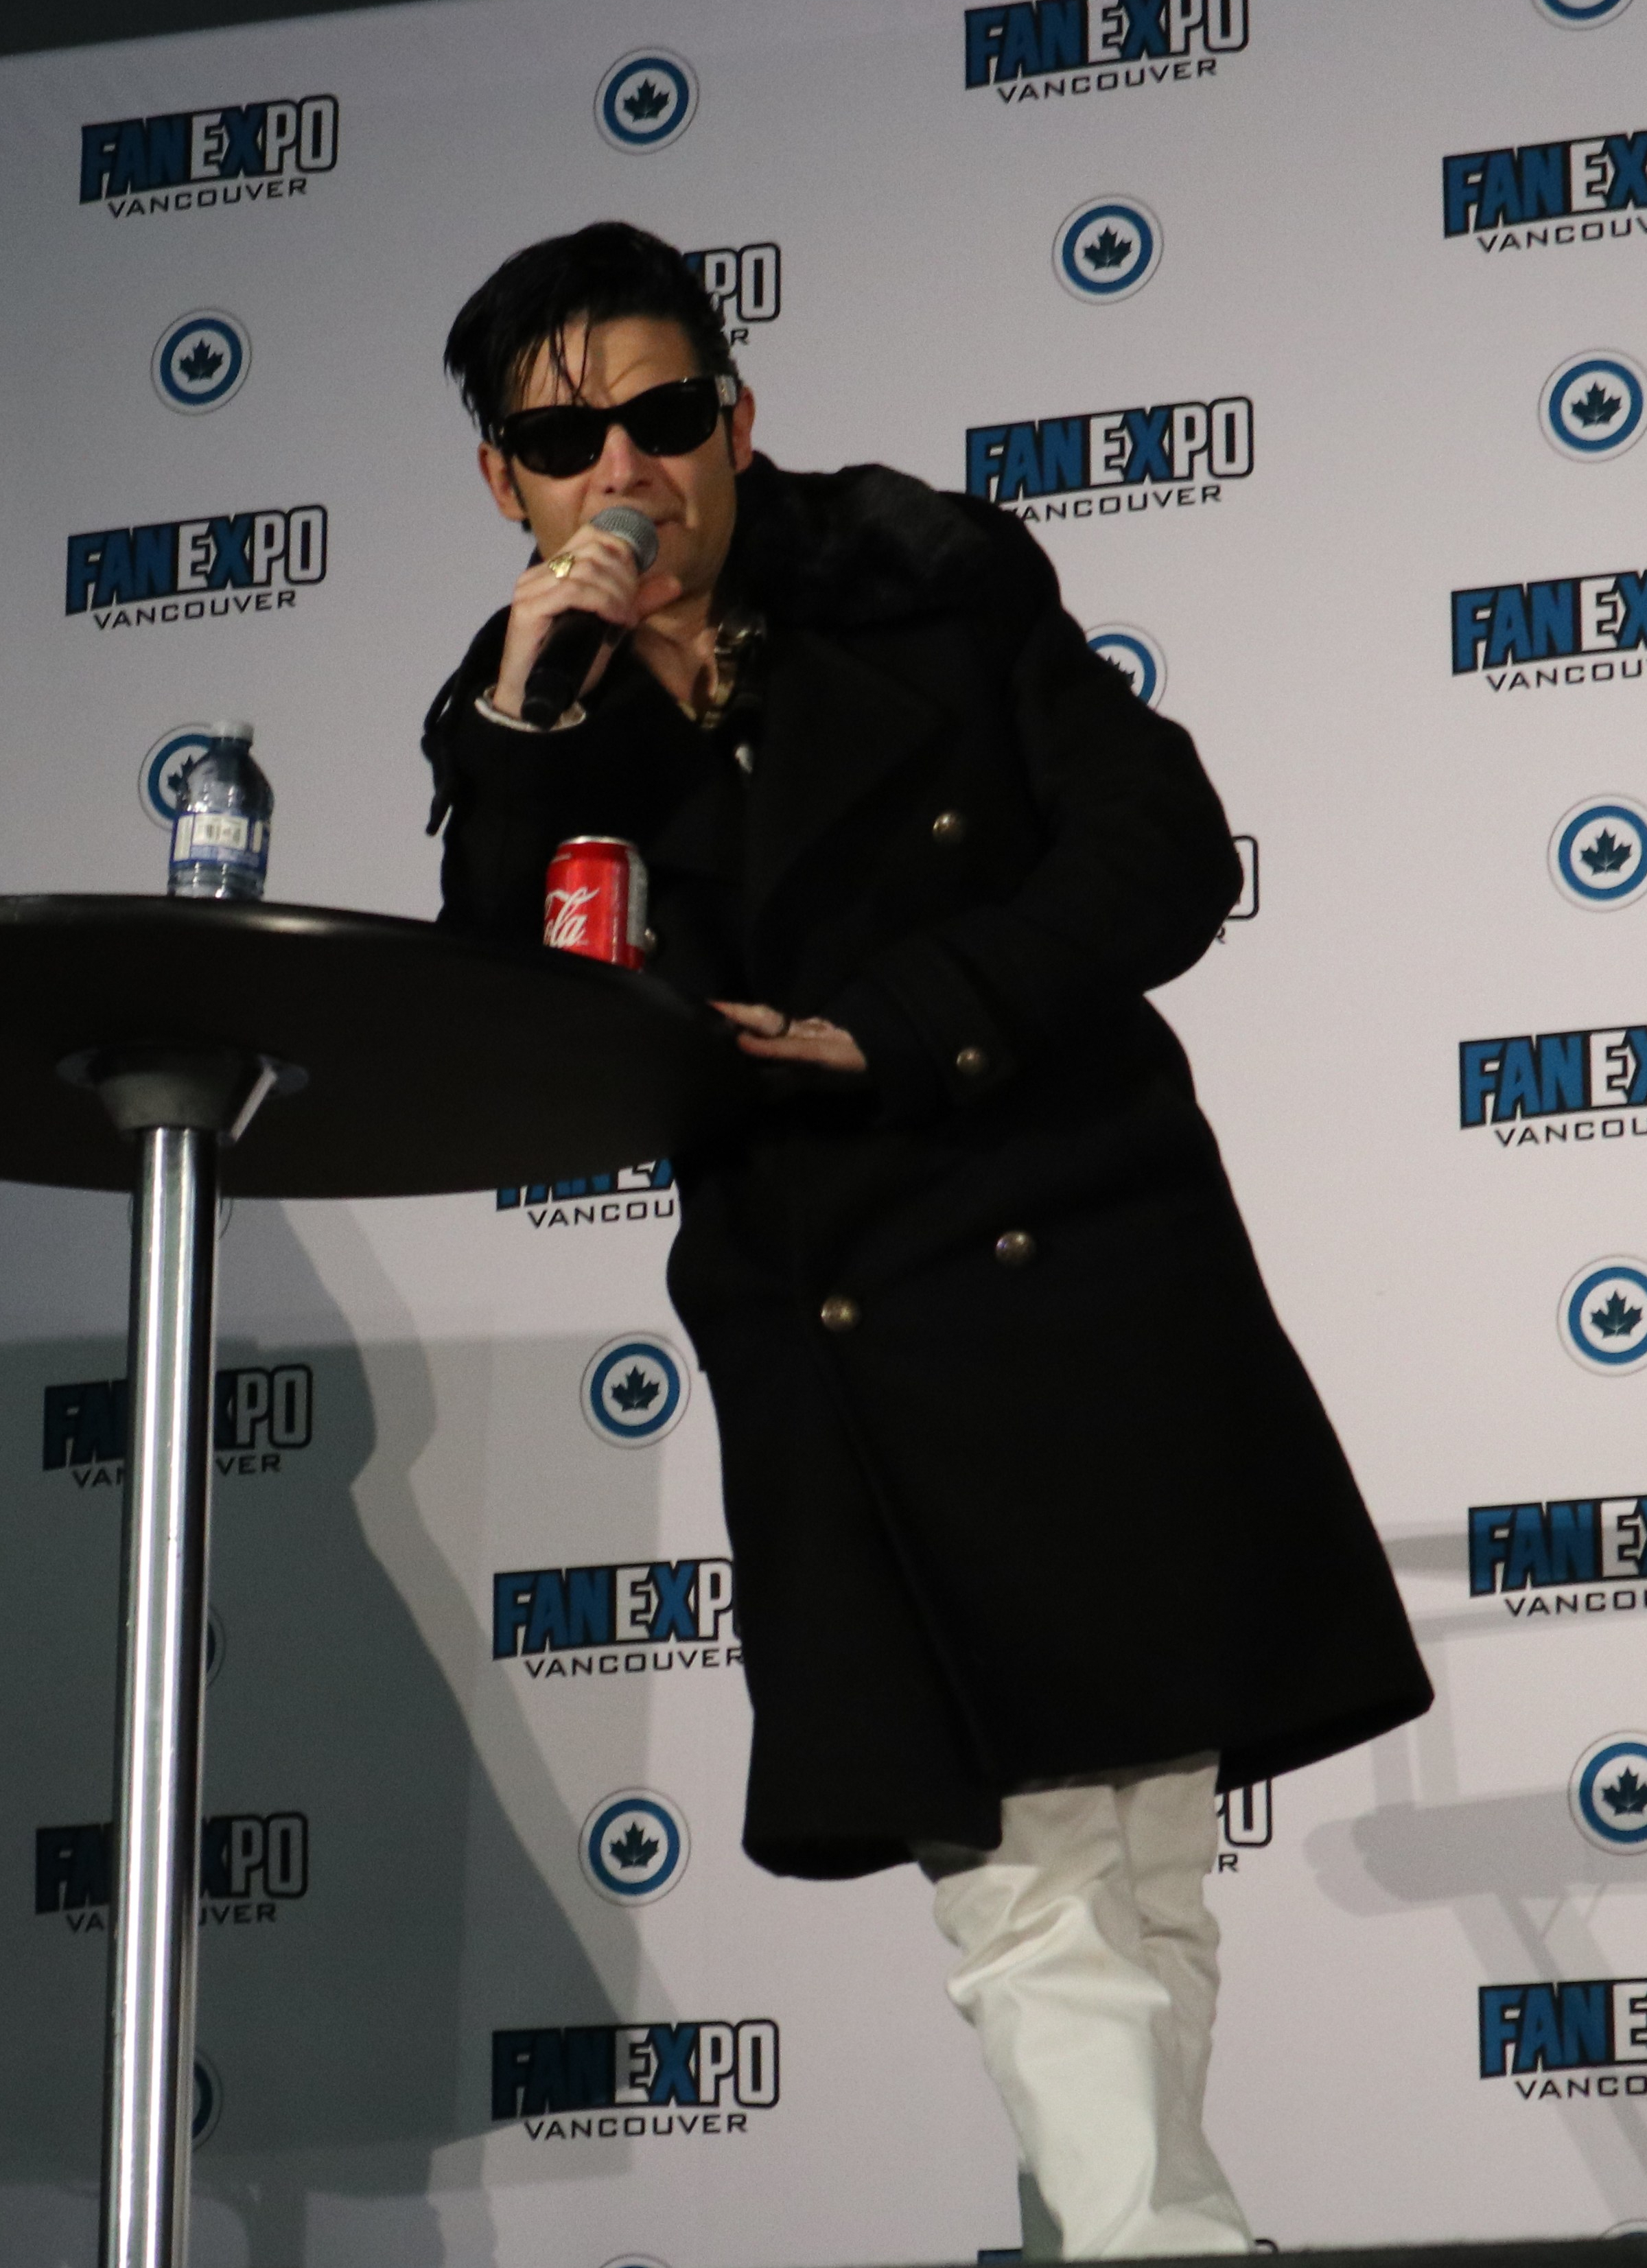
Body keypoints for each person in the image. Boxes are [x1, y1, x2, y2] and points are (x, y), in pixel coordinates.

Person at [420, 221, 1430, 2260]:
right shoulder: (523, 711)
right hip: (839, 1317)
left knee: (1144, 1835)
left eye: (664, 416)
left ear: (737, 418)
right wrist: (532, 712)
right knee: (1020, 1843)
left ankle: (1143, 2229)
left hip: (1085, 1230)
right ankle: (1167, 2240)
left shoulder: (930, 581)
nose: (624, 473)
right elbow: (501, 1019)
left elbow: (1160, 850)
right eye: (564, 439)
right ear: (505, 482)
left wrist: (904, 1017)